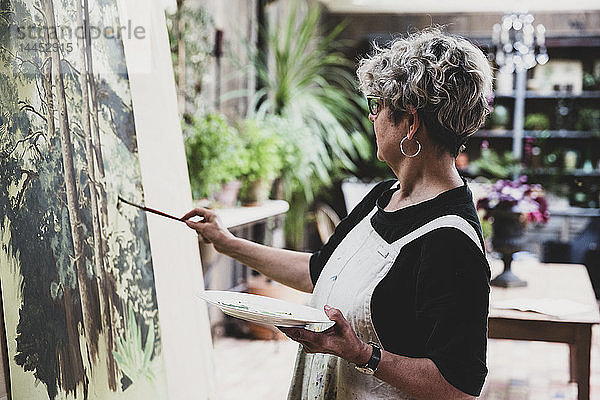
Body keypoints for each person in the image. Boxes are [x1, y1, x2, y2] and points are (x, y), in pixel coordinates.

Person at [183, 27, 492, 400]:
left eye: (377, 106)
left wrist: (362, 354)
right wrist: (228, 243)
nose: (372, 118)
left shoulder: (450, 239)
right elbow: (318, 271)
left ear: (410, 123)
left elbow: (460, 387)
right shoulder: (384, 196)